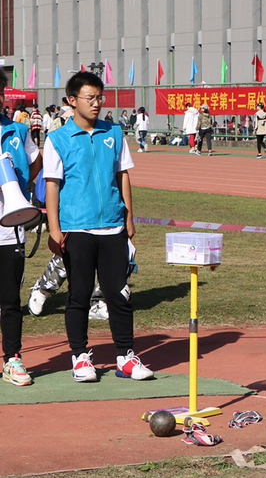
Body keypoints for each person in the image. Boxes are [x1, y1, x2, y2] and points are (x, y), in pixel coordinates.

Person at [44, 71, 153, 382]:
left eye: (99, 98)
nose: (96, 103)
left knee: (119, 294)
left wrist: (128, 217)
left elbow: (123, 175)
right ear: (71, 100)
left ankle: (126, 357)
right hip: (77, 229)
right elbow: (52, 186)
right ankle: (80, 358)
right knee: (78, 295)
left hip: (113, 227)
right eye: (89, 98)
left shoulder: (114, 133)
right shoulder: (57, 139)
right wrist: (54, 229)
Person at [0, 69, 43, 386]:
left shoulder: (17, 130)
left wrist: (22, 182)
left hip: (9, 229)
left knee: (9, 300)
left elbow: (36, 160)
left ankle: (12, 359)